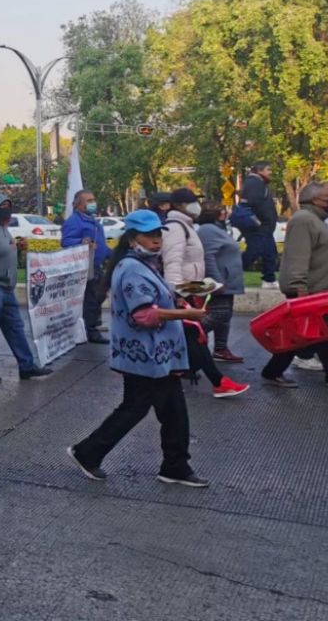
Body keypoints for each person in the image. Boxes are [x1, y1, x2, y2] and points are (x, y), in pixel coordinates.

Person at [67, 209, 210, 488]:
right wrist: (186, 315)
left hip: (152, 355)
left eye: (158, 235)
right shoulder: (132, 268)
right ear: (133, 239)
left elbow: (155, 302)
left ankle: (172, 464)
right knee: (146, 409)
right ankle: (171, 465)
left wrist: (177, 304)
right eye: (149, 236)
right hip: (145, 355)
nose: (156, 240)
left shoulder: (143, 264)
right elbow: (143, 315)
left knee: (157, 409)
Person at [161, 189, 246, 398]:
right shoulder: (176, 228)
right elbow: (173, 263)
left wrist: (203, 285)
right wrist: (177, 294)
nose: (197, 206)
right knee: (194, 334)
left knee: (193, 336)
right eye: (192, 203)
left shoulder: (187, 227)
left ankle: (200, 374)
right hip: (182, 290)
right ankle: (217, 381)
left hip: (189, 288)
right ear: (180, 205)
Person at [260, 183, 328, 389]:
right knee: (309, 336)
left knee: (313, 335)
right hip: (310, 293)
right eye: (327, 197)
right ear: (315, 200)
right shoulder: (304, 220)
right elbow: (298, 258)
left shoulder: (314, 220)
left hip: (319, 291)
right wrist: (301, 292)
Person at [0, 194, 51, 383]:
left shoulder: (4, 229)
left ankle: (26, 366)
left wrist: (18, 247)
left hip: (6, 289)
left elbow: (3, 252)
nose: (6, 209)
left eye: (8, 205)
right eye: (2, 206)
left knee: (16, 328)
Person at [196, 202, 245, 363]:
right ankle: (191, 336)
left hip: (227, 280)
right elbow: (208, 256)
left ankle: (221, 348)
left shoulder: (218, 229)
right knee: (220, 313)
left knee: (226, 315)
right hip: (220, 280)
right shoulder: (208, 230)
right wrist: (217, 281)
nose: (227, 213)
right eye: (224, 210)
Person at [61, 189, 111, 344]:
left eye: (93, 200)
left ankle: (89, 325)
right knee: (92, 299)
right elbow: (65, 242)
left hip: (97, 265)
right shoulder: (74, 221)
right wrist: (81, 243)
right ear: (78, 205)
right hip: (85, 267)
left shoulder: (92, 220)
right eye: (88, 201)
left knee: (98, 297)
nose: (92, 203)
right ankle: (91, 331)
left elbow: (101, 243)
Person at [240, 161, 280, 289]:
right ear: (260, 171)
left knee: (268, 252)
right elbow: (250, 204)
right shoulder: (255, 183)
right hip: (260, 228)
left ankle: (269, 278)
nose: (270, 172)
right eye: (268, 169)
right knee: (255, 253)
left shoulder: (256, 183)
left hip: (263, 227)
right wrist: (258, 222)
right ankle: (230, 271)